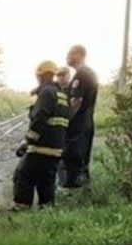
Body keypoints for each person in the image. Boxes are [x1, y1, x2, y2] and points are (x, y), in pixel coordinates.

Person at [13, 61, 71, 210]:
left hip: (41, 148)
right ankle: (46, 210)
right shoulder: (62, 95)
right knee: (46, 180)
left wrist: (27, 142)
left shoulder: (46, 93)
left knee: (23, 175)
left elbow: (39, 119)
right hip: (56, 149)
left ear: (41, 76)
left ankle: (22, 209)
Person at [61, 45, 99, 187]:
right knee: (82, 160)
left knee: (73, 160)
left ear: (79, 55)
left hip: (78, 125)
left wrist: (65, 120)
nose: (67, 56)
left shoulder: (81, 74)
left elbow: (76, 101)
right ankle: (83, 191)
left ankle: (73, 193)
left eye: (70, 53)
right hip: (86, 123)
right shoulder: (89, 73)